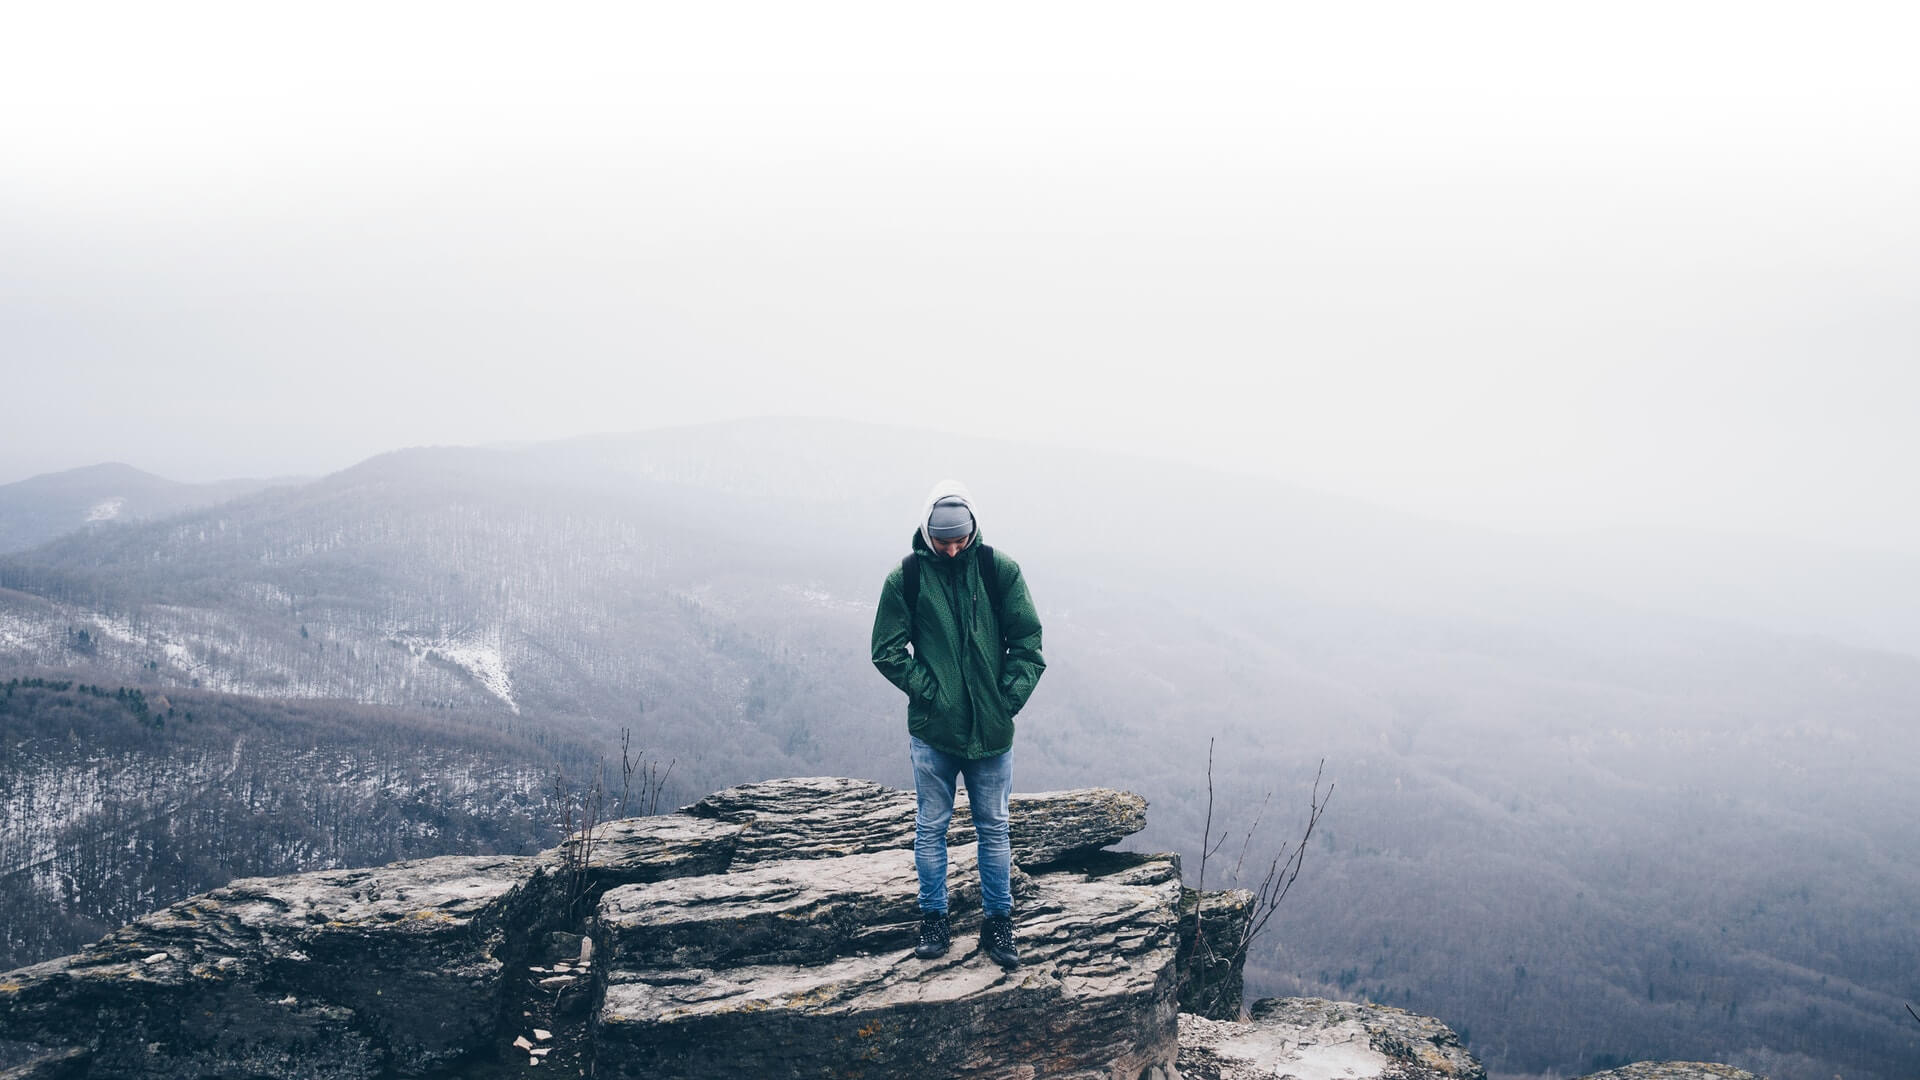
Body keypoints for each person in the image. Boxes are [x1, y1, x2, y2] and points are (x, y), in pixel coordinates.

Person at [871, 479, 1045, 970]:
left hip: (991, 734)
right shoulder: (905, 579)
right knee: (931, 828)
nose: (951, 549)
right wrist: (932, 693)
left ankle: (999, 924)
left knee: (994, 829)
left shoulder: (997, 570)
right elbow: (885, 651)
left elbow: (1028, 644)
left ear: (972, 531)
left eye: (959, 540)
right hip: (934, 734)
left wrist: (1002, 702)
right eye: (942, 540)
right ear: (926, 530)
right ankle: (933, 919)